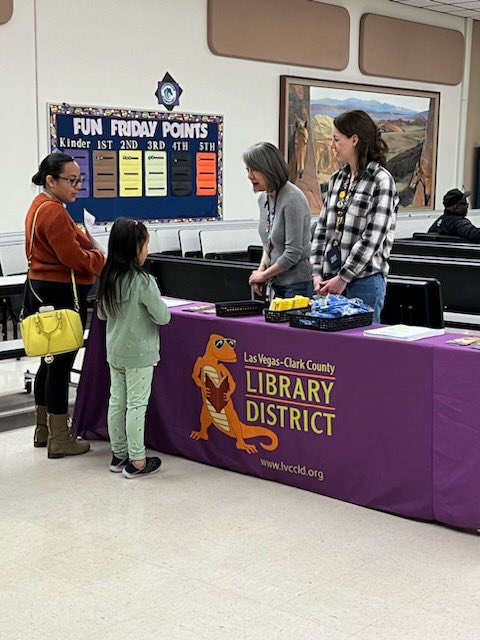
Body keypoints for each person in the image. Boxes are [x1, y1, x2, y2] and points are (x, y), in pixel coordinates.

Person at [26, 152, 105, 457]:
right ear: (50, 180)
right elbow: (73, 257)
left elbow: (74, 240)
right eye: (71, 181)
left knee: (48, 362)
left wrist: (86, 244)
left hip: (41, 291)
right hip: (60, 294)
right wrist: (99, 258)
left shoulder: (41, 206)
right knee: (60, 365)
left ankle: (43, 429)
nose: (76, 187)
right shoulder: (54, 212)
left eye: (79, 180)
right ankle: (60, 437)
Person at [96, 218, 171, 478]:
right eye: (146, 245)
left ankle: (119, 455)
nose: (147, 250)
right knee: (137, 405)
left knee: (117, 401)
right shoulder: (144, 281)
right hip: (139, 354)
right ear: (135, 249)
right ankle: (138, 460)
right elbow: (163, 316)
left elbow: (103, 315)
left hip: (115, 351)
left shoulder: (108, 278)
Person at [311, 110, 399, 322]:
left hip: (364, 281)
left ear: (354, 140)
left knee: (362, 351)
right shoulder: (337, 179)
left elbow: (372, 238)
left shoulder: (381, 180)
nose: (332, 145)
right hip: (329, 279)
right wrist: (316, 272)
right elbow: (322, 229)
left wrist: (344, 277)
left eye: (336, 139)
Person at [243, 142, 313, 299]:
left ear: (269, 170)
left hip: (297, 286)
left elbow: (293, 253)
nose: (249, 176)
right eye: (247, 170)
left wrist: (263, 275)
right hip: (275, 285)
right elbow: (268, 244)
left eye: (254, 170)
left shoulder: (293, 198)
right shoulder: (263, 198)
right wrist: (261, 270)